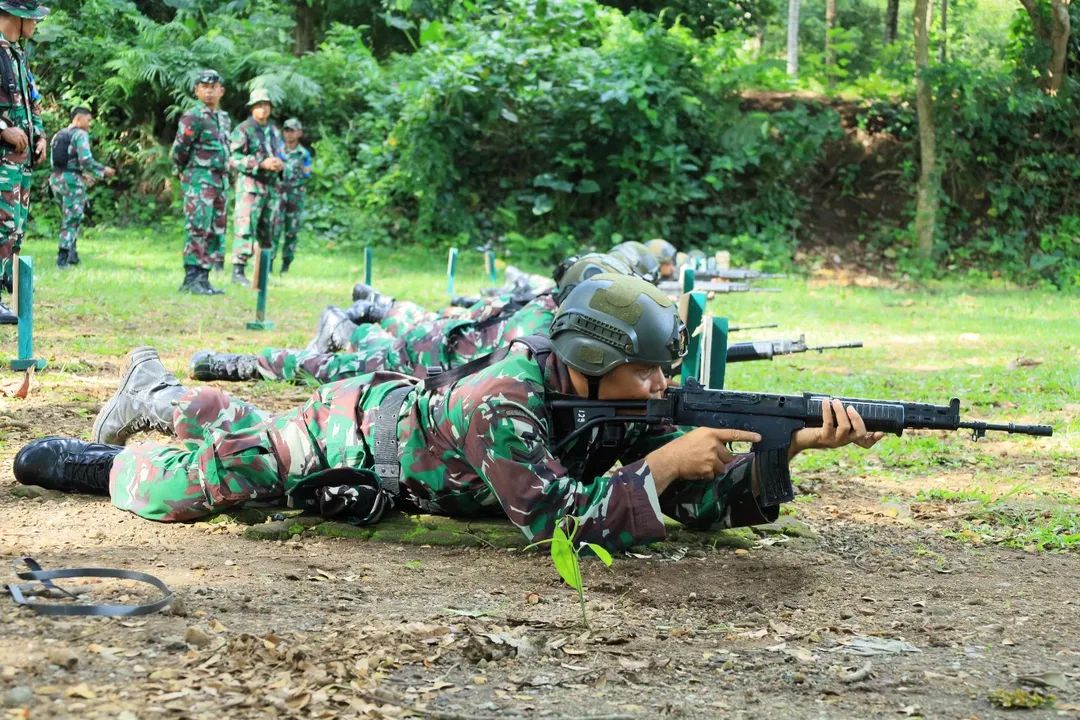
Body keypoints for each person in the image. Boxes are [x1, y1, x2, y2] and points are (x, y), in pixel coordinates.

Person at [14, 274, 883, 552]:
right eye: (649, 371)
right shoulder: (501, 401)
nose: (663, 386)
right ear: (592, 364)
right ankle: (141, 418)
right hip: (339, 440)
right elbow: (558, 528)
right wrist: (660, 464)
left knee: (239, 447)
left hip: (390, 449)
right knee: (233, 472)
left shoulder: (608, 409)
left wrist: (779, 457)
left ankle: (163, 398)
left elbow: (691, 502)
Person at [188, 253, 631, 385]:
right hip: (427, 363)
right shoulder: (544, 324)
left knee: (350, 354)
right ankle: (237, 363)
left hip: (438, 355)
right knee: (331, 366)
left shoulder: (549, 313)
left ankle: (351, 320)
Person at [0, 0, 47, 324]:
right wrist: (3, 130)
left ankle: (6, 290)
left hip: (21, 161)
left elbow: (33, 100)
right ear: (18, 17)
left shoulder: (17, 55)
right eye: (34, 19)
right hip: (3, 159)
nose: (36, 25)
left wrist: (39, 134)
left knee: (14, 229)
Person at [171, 68, 231, 295]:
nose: (209, 92)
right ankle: (191, 277)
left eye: (213, 87)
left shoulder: (223, 118)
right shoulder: (193, 116)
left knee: (215, 228)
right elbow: (180, 149)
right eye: (204, 87)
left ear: (221, 91)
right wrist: (181, 171)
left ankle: (204, 277)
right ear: (197, 91)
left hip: (219, 181)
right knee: (198, 226)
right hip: (199, 178)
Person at [230, 87, 284, 287]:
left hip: (270, 187)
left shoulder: (273, 130)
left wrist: (280, 164)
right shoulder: (243, 129)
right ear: (252, 108)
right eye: (259, 105)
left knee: (267, 230)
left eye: (266, 105)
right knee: (245, 227)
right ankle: (238, 271)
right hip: (250, 188)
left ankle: (263, 273)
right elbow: (233, 158)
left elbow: (280, 153)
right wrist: (259, 164)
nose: (263, 109)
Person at [49, 107, 115, 267]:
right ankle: (62, 260)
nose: (90, 124)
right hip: (71, 182)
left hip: (55, 180)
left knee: (67, 218)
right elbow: (86, 160)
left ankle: (73, 256)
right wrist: (103, 171)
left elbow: (57, 161)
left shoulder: (59, 134)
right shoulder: (80, 134)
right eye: (88, 120)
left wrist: (80, 174)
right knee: (72, 219)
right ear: (78, 119)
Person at [278, 118, 311, 275]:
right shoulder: (277, 150)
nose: (289, 134)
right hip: (278, 194)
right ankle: (268, 263)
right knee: (273, 230)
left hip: (295, 196)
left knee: (291, 231)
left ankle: (286, 265)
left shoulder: (304, 154)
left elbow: (307, 173)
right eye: (286, 130)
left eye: (292, 130)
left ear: (299, 133)